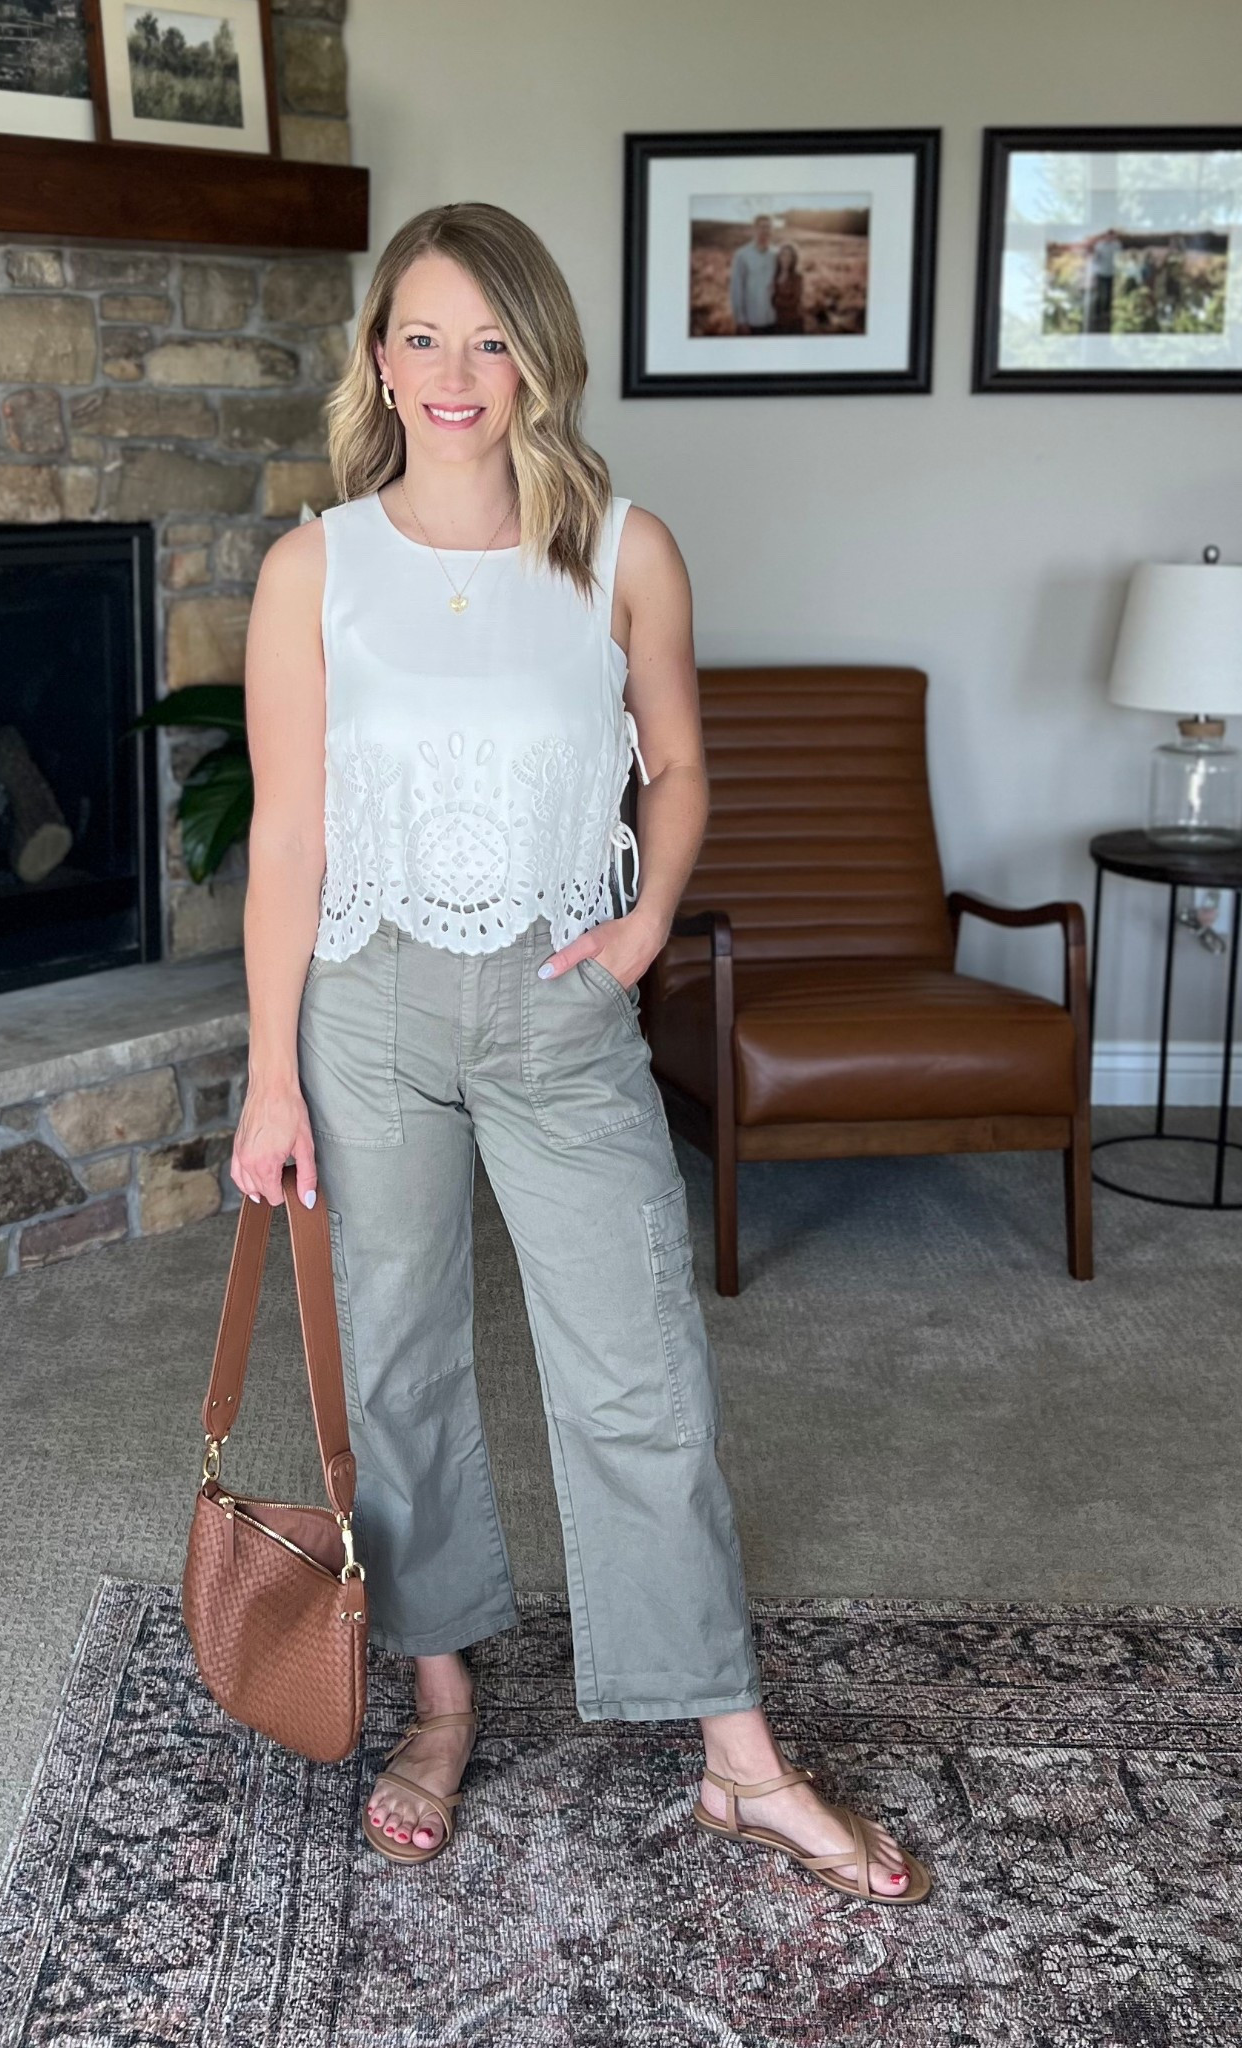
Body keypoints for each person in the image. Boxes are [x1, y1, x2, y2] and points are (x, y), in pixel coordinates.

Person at [231, 199, 930, 1905]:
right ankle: (442, 1698)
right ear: (376, 358)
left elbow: (677, 769)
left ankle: (737, 1758)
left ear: (540, 355)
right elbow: (288, 835)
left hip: (559, 997)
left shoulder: (622, 546)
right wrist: (266, 1072)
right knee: (393, 1368)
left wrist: (642, 926)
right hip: (367, 1002)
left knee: (639, 1372)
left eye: (491, 337)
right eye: (420, 334)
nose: (454, 372)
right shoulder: (314, 566)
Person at [729, 214, 780, 334]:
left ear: (772, 230)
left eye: (768, 227)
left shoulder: (777, 254)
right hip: (751, 322)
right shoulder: (742, 255)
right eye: (761, 227)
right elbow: (736, 289)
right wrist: (741, 320)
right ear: (754, 229)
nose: (765, 230)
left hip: (774, 319)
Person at [771, 242, 804, 334]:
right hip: (777, 321)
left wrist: (776, 302)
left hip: (792, 322)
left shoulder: (797, 277)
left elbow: (795, 300)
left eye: (789, 256)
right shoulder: (775, 275)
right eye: (783, 255)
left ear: (793, 259)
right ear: (779, 257)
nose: (786, 259)